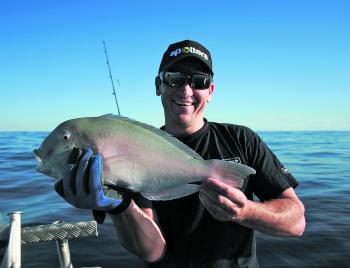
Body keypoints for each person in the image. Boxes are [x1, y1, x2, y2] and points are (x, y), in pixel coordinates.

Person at [55, 40, 306, 267]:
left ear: (211, 91)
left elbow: (297, 223)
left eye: (199, 81)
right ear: (158, 85)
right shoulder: (132, 148)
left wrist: (245, 211)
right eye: (175, 78)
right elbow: (152, 252)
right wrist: (121, 206)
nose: (186, 91)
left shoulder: (242, 139)